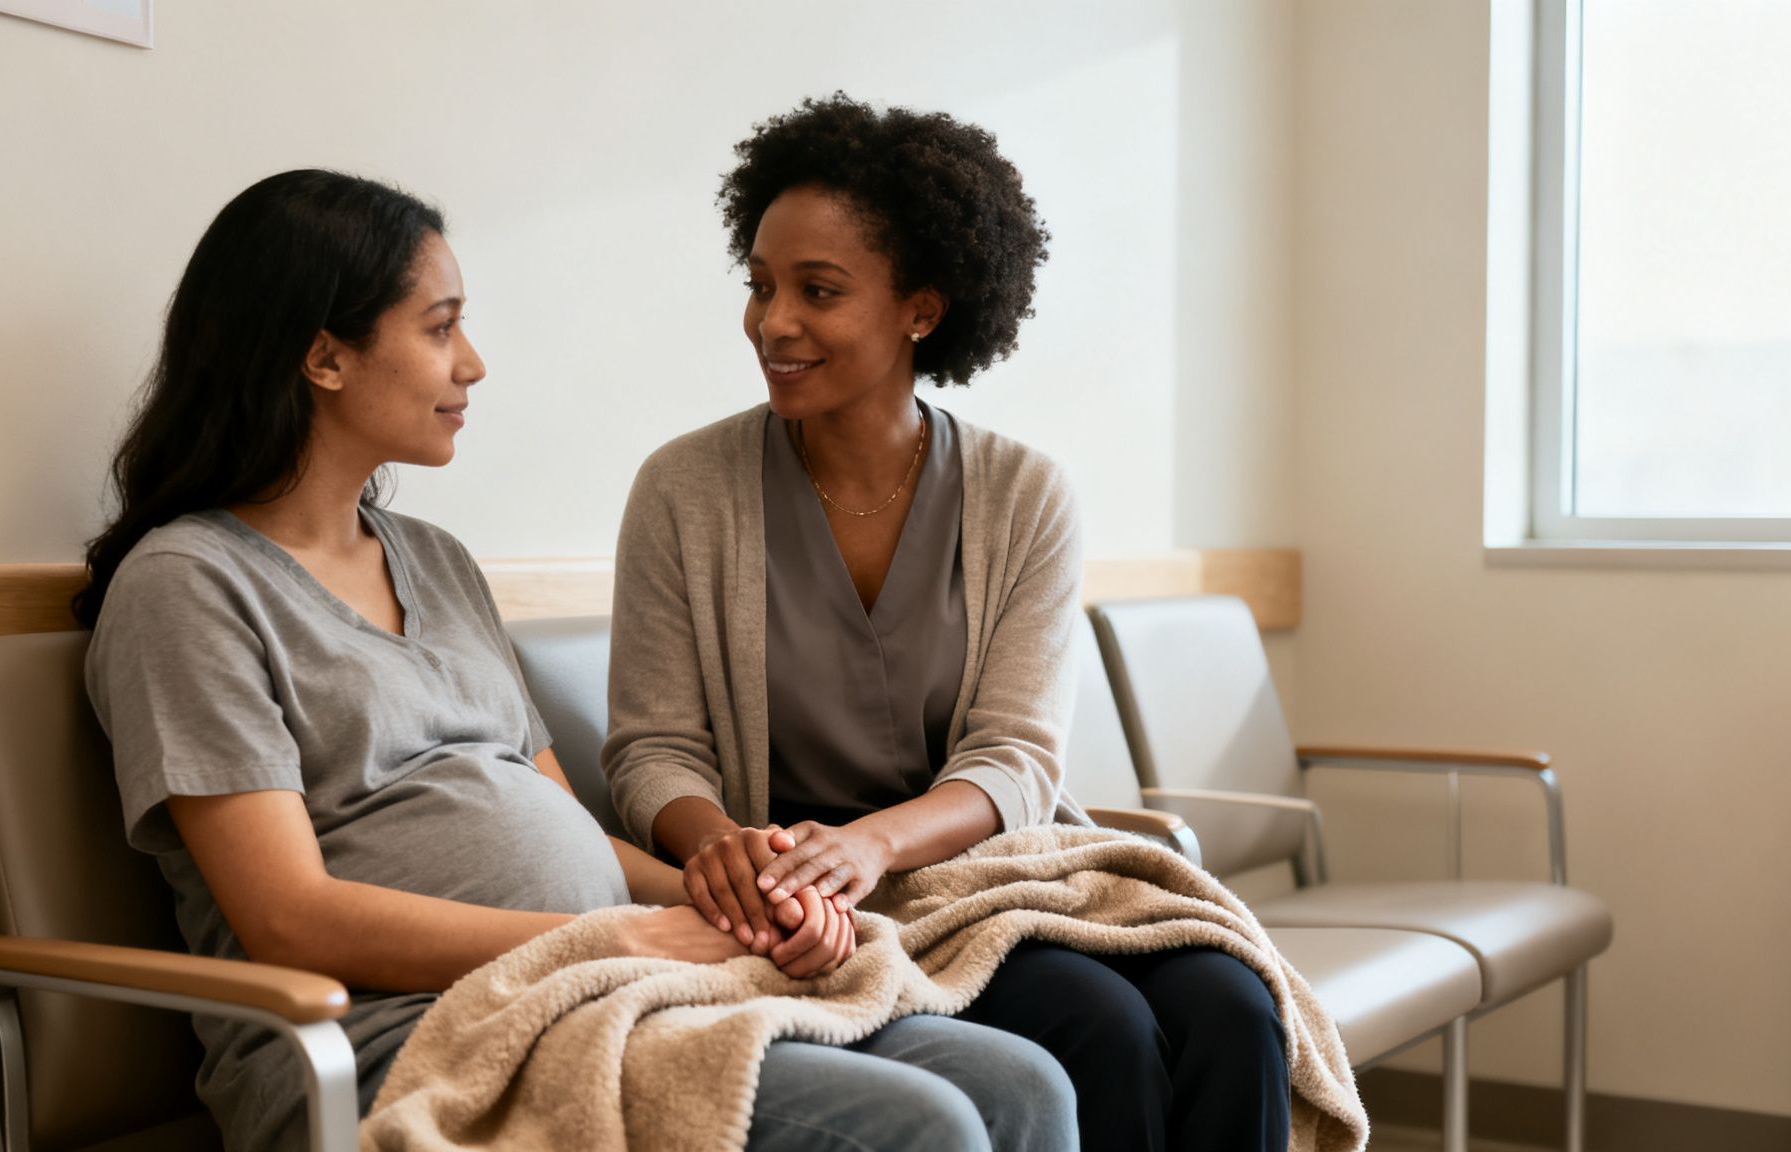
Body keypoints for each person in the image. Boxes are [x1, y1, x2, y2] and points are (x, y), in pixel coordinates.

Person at [76, 168, 1076, 1152]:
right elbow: (290, 920)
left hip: (601, 987)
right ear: (325, 358)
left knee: (1017, 1081)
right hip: (411, 1033)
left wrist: (739, 904)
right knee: (921, 1126)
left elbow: (567, 827)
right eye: (439, 327)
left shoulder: (434, 562)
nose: (470, 364)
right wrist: (616, 938)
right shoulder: (189, 586)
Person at [604, 95, 1290, 1152]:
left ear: (921, 309)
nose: (770, 321)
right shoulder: (683, 489)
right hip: (806, 908)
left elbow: (1015, 755)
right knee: (1099, 1026)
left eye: (816, 291)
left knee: (1237, 1010)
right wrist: (732, 853)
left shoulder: (1024, 494)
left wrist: (870, 844)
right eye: (759, 285)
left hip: (975, 870)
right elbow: (651, 748)